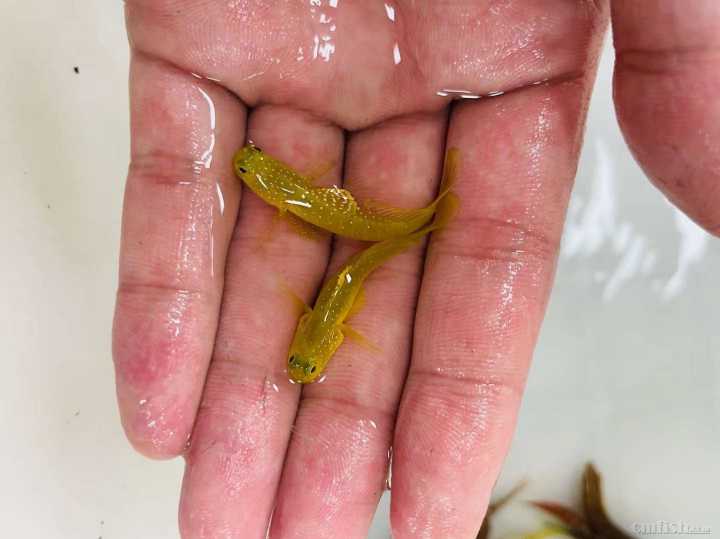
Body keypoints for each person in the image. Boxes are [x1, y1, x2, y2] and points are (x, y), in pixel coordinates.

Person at [112, 1, 720, 537]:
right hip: (322, 213)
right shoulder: (313, 279)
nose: (301, 364)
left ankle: (427, 217)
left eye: (303, 361)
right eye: (305, 363)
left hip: (325, 213)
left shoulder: (314, 281)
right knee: (377, 245)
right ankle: (424, 219)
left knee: (381, 244)